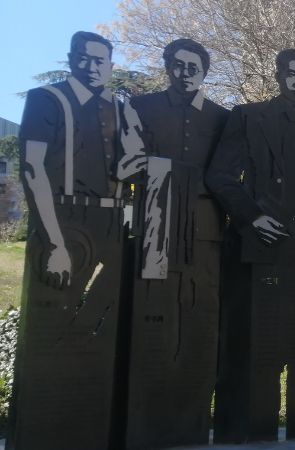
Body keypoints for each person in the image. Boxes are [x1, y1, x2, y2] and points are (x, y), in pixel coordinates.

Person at [206, 48, 295, 442]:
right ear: (278, 74)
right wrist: (252, 217)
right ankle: (251, 430)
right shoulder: (247, 116)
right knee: (257, 346)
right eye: (291, 73)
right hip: (259, 249)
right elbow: (220, 176)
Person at [9, 31, 127, 450]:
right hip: (62, 219)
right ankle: (42, 427)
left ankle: (88, 420)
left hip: (111, 225)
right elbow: (33, 169)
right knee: (53, 323)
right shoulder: (48, 99)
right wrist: (54, 239)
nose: (94, 67)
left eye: (101, 60)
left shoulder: (118, 108)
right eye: (85, 58)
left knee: (98, 324)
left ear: (111, 64)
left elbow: (129, 170)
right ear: (72, 59)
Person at [116, 38, 229, 447]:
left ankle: (192, 425)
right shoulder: (141, 108)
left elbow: (229, 177)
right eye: (178, 65)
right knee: (153, 324)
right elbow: (127, 164)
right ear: (167, 66)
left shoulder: (222, 118)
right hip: (155, 228)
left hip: (205, 233)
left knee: (200, 324)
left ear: (204, 71)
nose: (185, 73)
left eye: (194, 66)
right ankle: (145, 426)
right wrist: (173, 172)